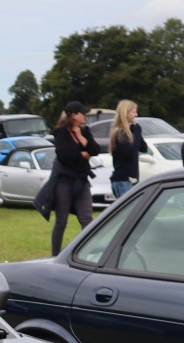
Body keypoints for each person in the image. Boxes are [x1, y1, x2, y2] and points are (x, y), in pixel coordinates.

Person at [36, 101, 95, 256]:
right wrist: (83, 153)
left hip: (82, 181)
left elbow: (95, 149)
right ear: (74, 115)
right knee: (61, 222)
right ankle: (55, 255)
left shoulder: (85, 130)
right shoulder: (61, 133)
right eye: (83, 113)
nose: (85, 116)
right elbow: (65, 156)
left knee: (87, 220)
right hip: (64, 182)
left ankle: (86, 253)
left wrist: (81, 138)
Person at [107, 100, 148, 200]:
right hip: (123, 179)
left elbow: (144, 148)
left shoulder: (130, 132)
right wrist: (137, 132)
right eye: (134, 112)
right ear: (126, 113)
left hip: (131, 179)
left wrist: (135, 132)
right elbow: (130, 153)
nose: (136, 115)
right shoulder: (120, 133)